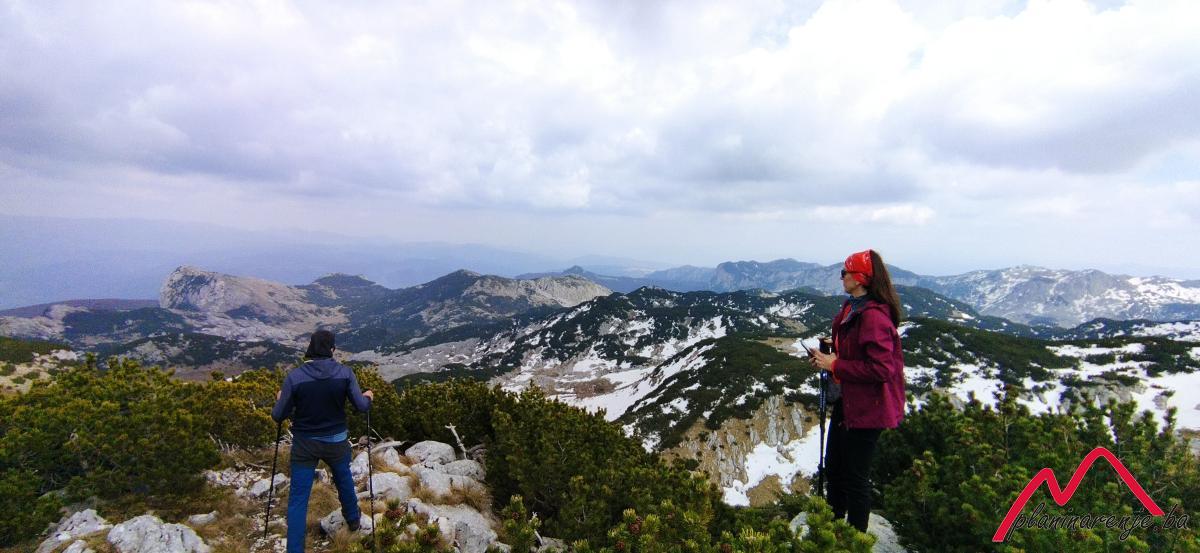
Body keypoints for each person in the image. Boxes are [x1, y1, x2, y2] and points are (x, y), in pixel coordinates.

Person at [808, 249, 905, 532]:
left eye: (845, 273)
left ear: (860, 278)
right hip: (850, 402)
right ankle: (833, 529)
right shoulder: (853, 307)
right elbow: (855, 353)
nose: (842, 277)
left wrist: (836, 365)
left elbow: (881, 369)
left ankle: (854, 538)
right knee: (835, 467)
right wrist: (829, 357)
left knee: (855, 477)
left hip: (868, 409)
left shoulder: (873, 317)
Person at [272, 329, 374, 553]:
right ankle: (353, 519)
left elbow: (279, 415)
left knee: (298, 498)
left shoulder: (295, 377)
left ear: (310, 348)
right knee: (344, 479)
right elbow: (361, 406)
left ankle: (295, 549)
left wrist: (280, 399)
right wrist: (368, 397)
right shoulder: (345, 374)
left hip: (305, 444)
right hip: (336, 442)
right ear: (332, 349)